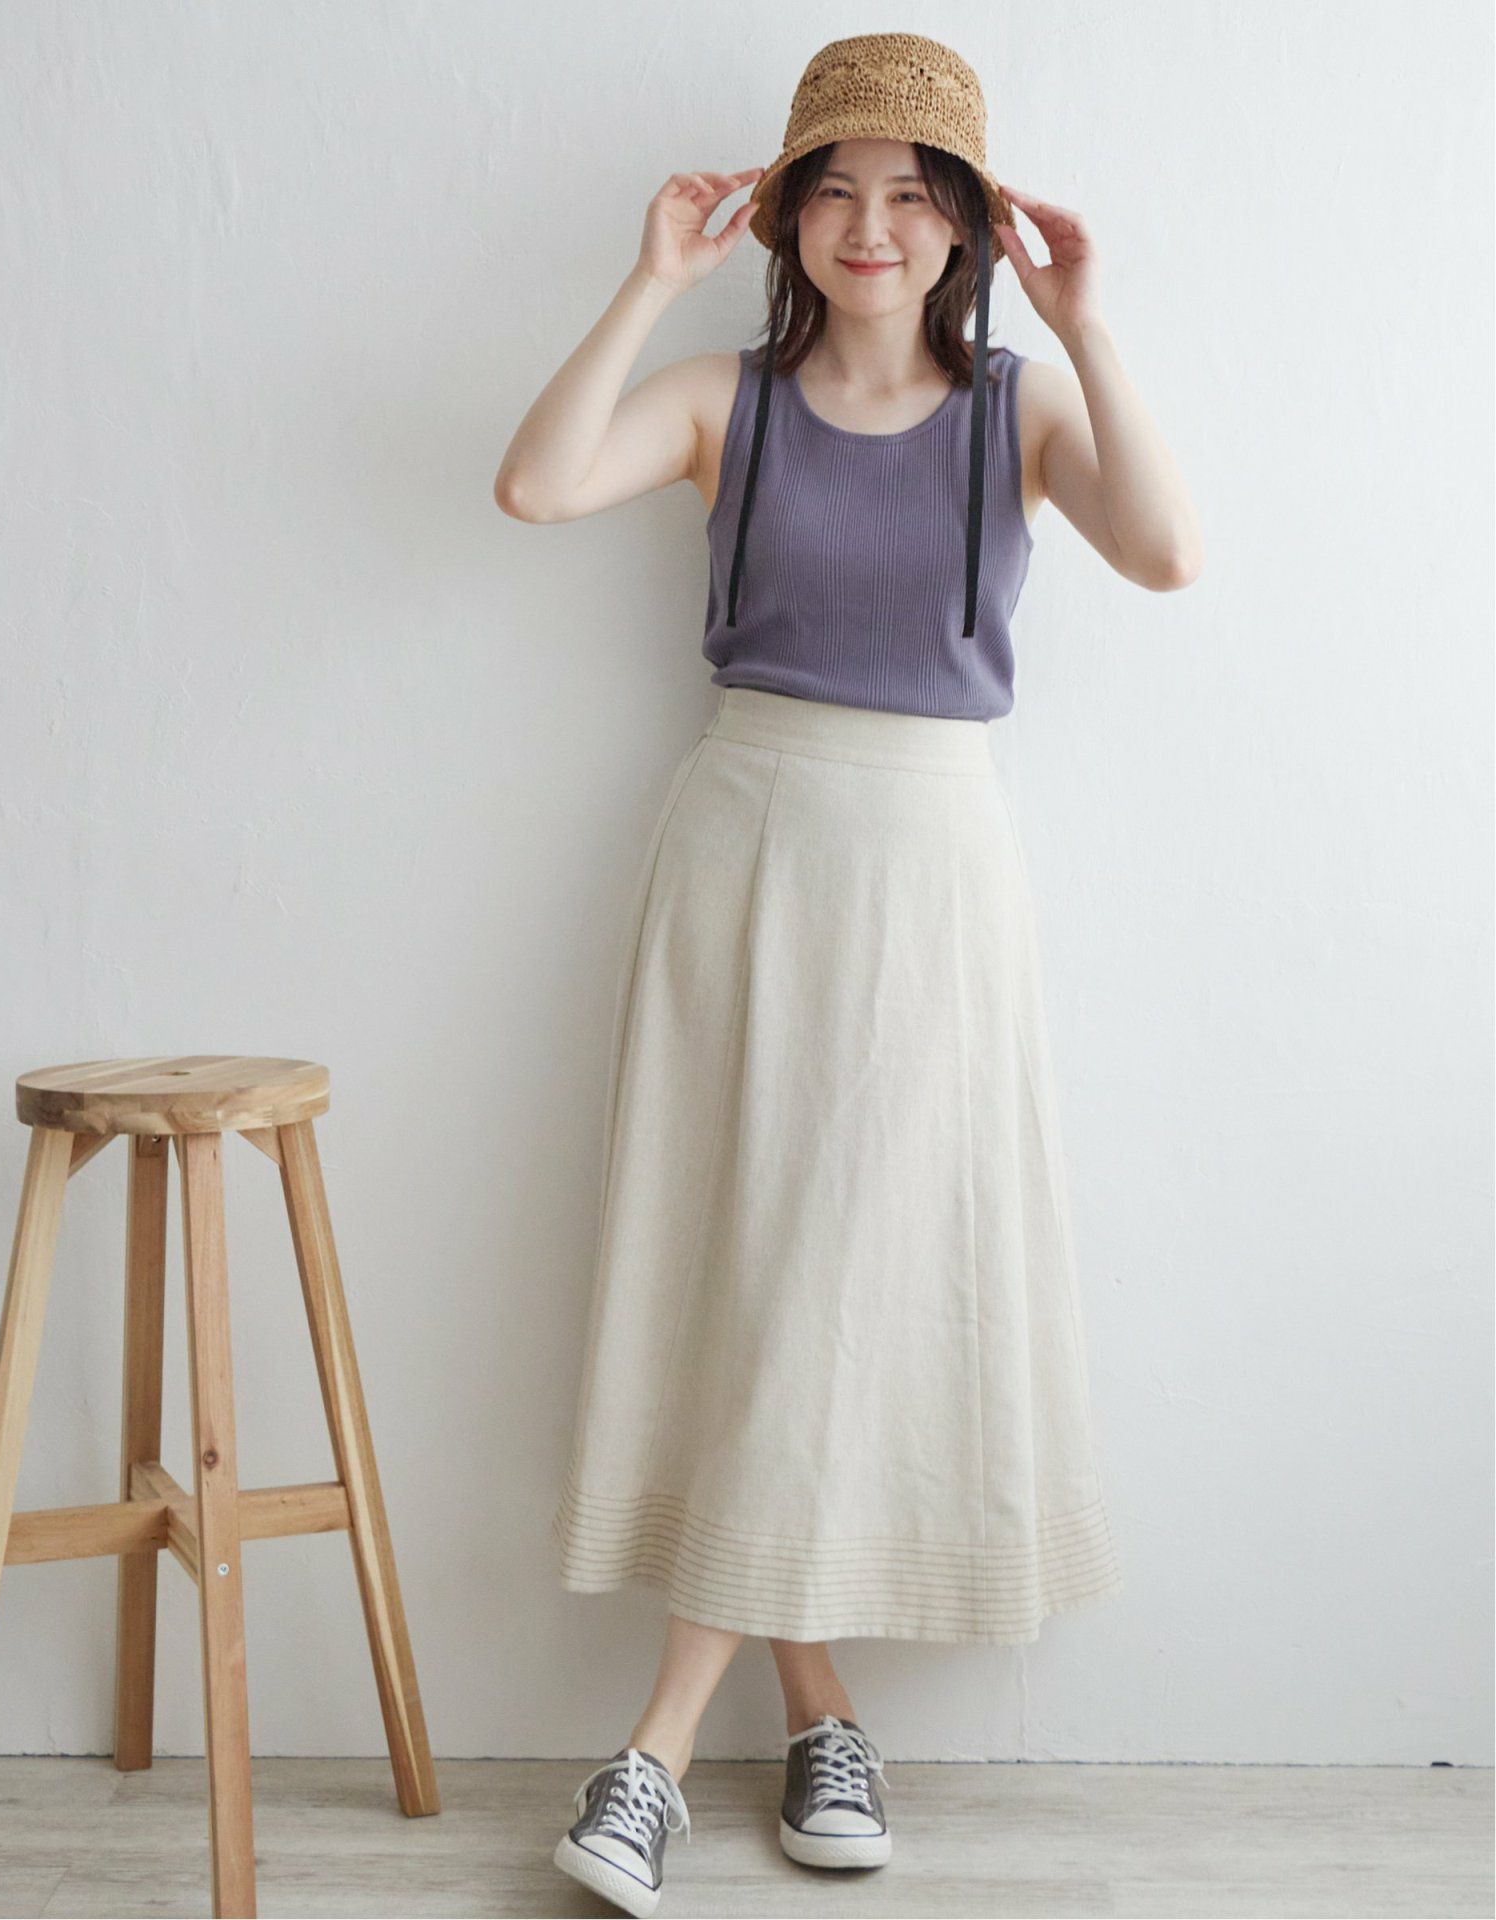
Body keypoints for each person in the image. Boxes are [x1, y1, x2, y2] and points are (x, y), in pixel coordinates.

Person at [494, 33, 1201, 1918]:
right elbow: (537, 486)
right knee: (763, 1273)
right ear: (787, 218)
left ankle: (655, 1751)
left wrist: (1090, 325)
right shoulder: (725, 401)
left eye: (909, 193)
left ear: (965, 226)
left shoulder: (1015, 411)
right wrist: (646, 279)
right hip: (747, 859)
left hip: (932, 873)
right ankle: (820, 1719)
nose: (869, 225)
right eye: (834, 188)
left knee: (824, 1278)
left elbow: (1166, 552)